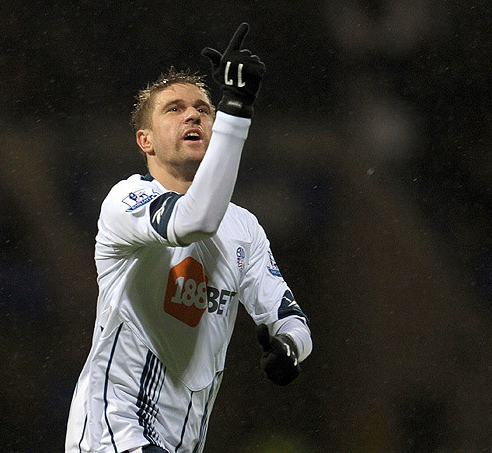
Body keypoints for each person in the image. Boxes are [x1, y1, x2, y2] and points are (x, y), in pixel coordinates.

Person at [65, 23, 312, 453]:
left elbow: (291, 319)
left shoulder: (245, 229)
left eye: (204, 108)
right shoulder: (126, 202)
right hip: (114, 432)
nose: (193, 114)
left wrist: (290, 346)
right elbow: (193, 222)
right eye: (174, 109)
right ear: (146, 141)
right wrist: (236, 106)